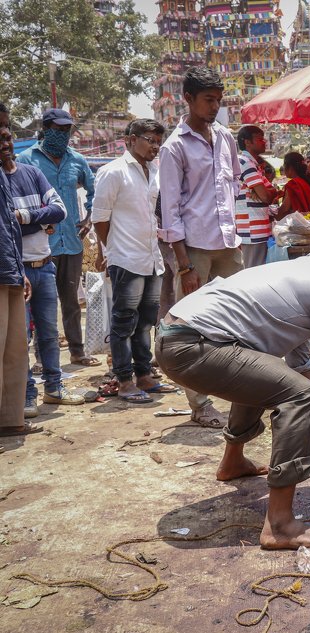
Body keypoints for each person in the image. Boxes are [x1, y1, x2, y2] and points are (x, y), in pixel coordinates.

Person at [156, 221, 310, 549]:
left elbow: (300, 368)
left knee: (266, 370)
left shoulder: (297, 273)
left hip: (174, 337)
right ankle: (279, 525)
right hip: (190, 346)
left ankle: (233, 463)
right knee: (298, 397)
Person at [158, 66, 243, 429]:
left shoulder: (226, 138)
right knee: (189, 326)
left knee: (242, 317)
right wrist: (184, 266)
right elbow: (170, 210)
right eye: (208, 100)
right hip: (193, 251)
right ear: (188, 99)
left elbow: (234, 183)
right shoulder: (173, 147)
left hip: (229, 244)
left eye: (218, 101)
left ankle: (246, 388)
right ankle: (199, 403)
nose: (214, 107)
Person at [92, 119, 175, 405]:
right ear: (130, 139)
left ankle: (144, 375)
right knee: (124, 321)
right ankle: (124, 380)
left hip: (151, 258)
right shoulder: (112, 172)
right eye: (149, 140)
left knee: (145, 321)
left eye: (157, 141)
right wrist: (113, 249)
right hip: (126, 258)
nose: (155, 146)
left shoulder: (155, 171)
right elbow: (100, 218)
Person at [1, 124, 76, 416]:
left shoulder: (31, 173)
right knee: (21, 340)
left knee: (49, 334)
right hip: (15, 271)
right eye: (1, 139)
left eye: (8, 138)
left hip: (44, 266)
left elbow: (60, 210)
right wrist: (40, 222)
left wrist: (23, 217)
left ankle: (54, 389)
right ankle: (27, 395)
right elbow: (5, 223)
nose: (6, 144)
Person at [17, 108, 98, 367]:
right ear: (46, 129)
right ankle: (42, 358)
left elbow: (95, 190)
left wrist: (89, 219)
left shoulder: (77, 159)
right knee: (44, 306)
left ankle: (77, 351)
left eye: (67, 130)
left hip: (71, 242)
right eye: (58, 130)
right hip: (40, 245)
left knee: (72, 301)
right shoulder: (27, 159)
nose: (63, 135)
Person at [0, 115, 39, 438]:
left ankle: (10, 421)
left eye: (7, 130)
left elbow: (10, 226)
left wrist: (19, 268)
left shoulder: (4, 176)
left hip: (10, 269)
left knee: (14, 351)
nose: (6, 138)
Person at [234, 125, 278, 269]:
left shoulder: (253, 165)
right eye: (260, 139)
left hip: (258, 228)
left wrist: (264, 192)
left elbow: (272, 192)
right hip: (252, 230)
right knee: (254, 272)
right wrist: (266, 192)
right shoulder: (245, 163)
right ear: (247, 142)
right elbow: (266, 196)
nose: (264, 142)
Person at [274, 152, 310, 219]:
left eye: (284, 164)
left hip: (299, 226)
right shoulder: (307, 181)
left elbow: (280, 215)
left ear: (290, 167)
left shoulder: (293, 184)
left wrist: (275, 202)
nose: (283, 167)